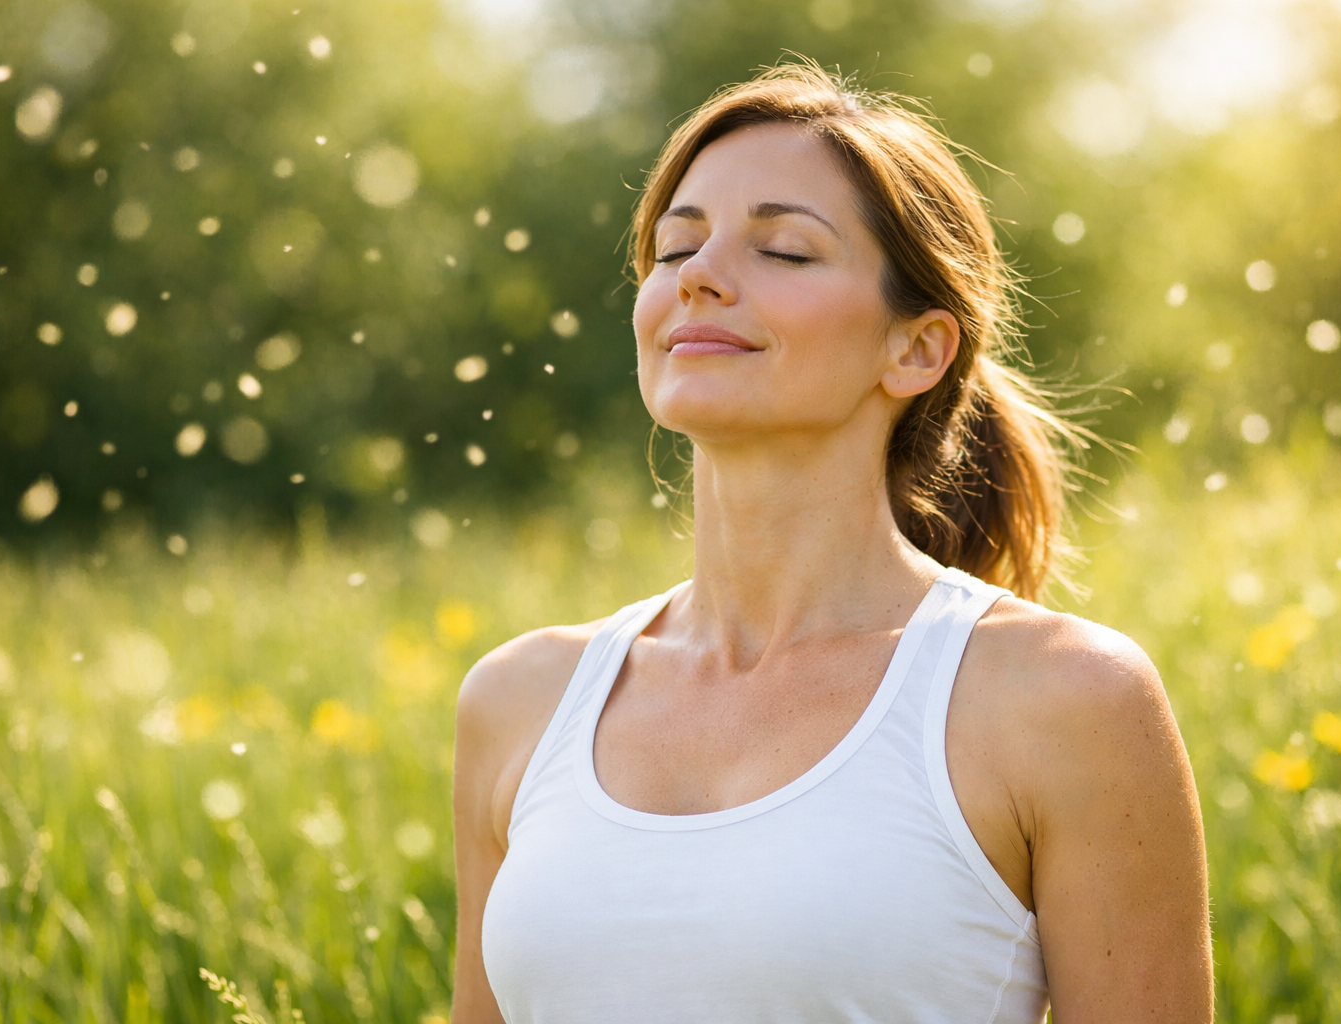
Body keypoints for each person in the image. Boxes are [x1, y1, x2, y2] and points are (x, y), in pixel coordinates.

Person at [451, 62, 1211, 1023]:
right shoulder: (520, 700)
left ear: (916, 349)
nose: (700, 280)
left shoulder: (1064, 700)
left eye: (787, 252)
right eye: (675, 249)